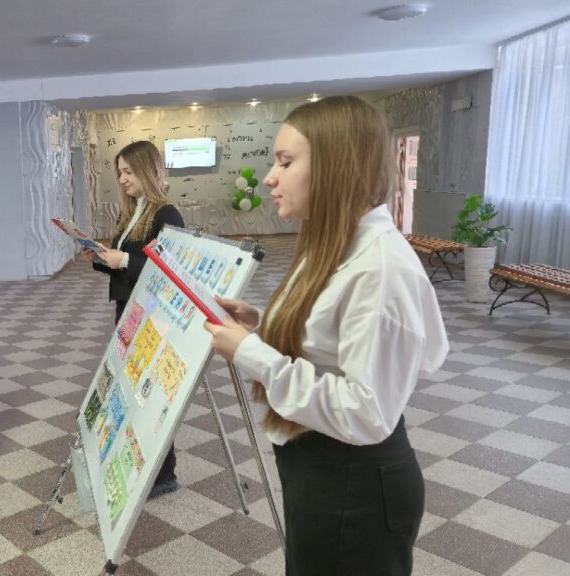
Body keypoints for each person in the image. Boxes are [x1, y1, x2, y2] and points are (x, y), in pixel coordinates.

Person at [204, 95, 448, 576]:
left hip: (354, 485)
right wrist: (263, 326)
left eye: (285, 162)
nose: (269, 177)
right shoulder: (333, 243)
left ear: (337, 166)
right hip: (319, 465)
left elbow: (367, 411)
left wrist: (254, 355)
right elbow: (330, 337)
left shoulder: (380, 267)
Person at [87, 140, 184, 498]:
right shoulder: (132, 211)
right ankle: (141, 465)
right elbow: (125, 261)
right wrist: (101, 258)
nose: (122, 179)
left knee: (152, 394)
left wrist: (124, 260)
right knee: (130, 390)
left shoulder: (166, 214)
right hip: (129, 309)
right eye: (120, 172)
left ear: (147, 169)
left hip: (152, 315)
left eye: (128, 171)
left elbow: (170, 269)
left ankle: (164, 474)